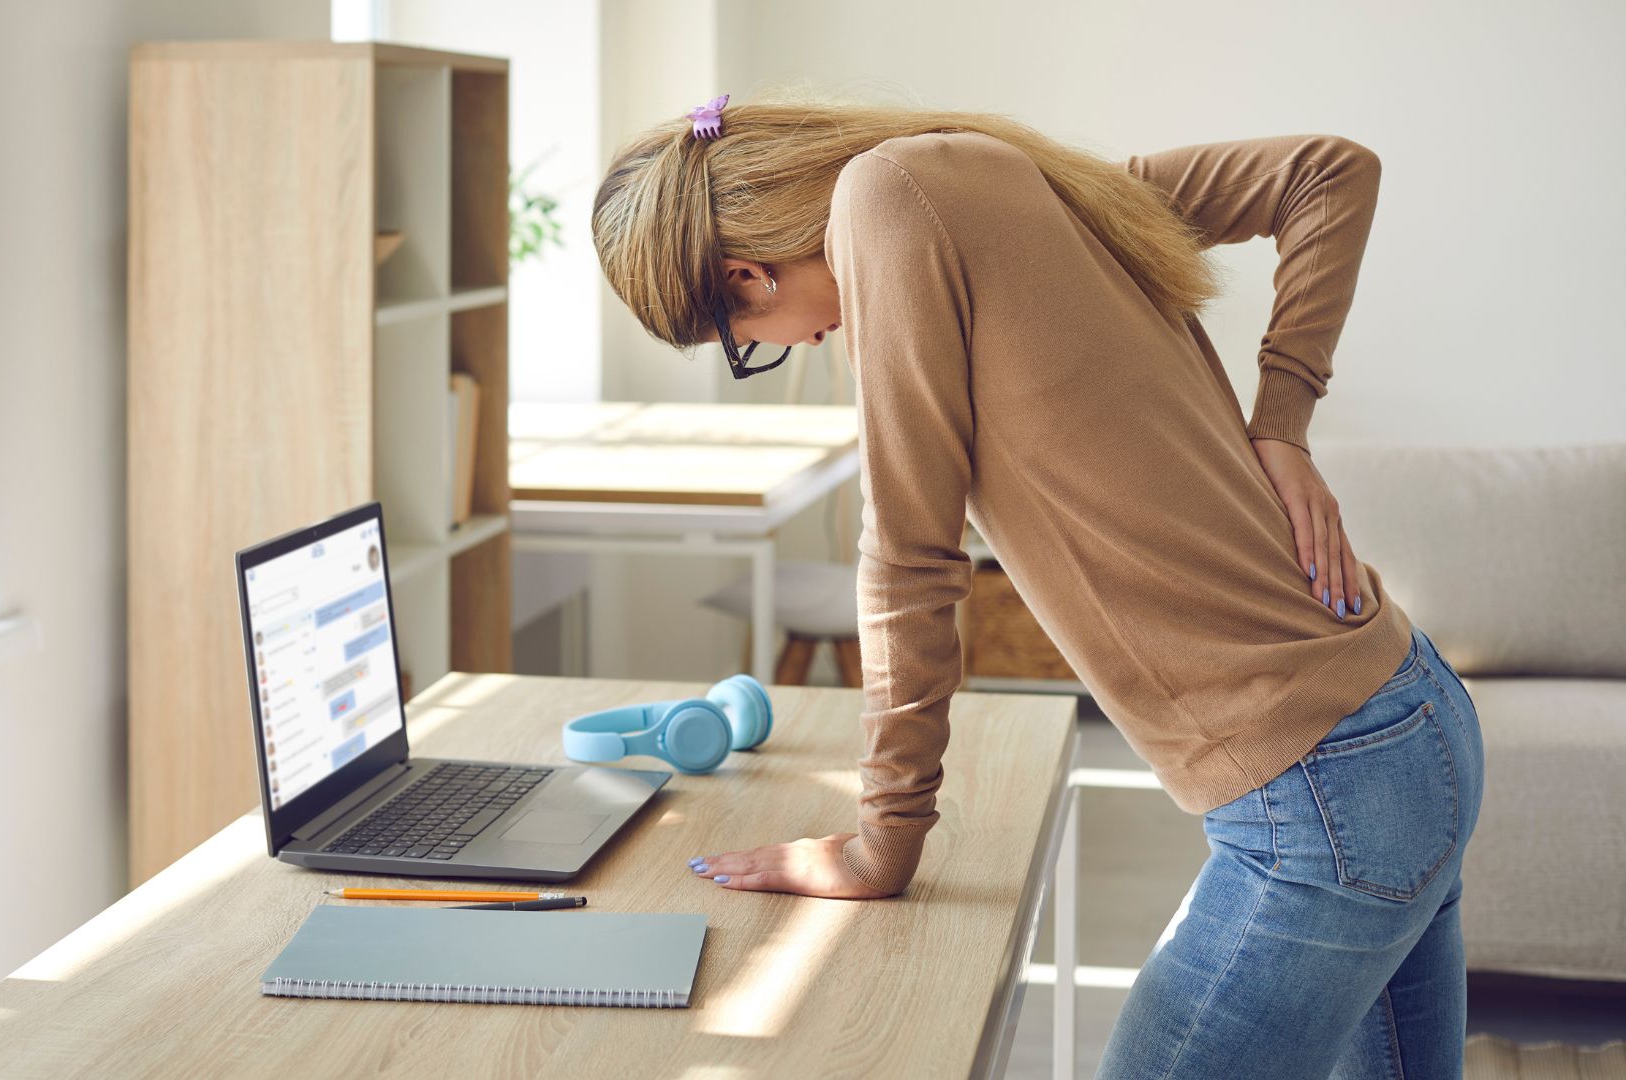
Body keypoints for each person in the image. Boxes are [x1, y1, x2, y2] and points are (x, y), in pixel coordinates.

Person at [592, 94, 1484, 1078]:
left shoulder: (881, 202)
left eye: (744, 341)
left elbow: (907, 556)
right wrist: (1283, 414)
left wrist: (877, 848)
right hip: (1407, 719)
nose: (797, 347)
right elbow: (1330, 169)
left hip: (1327, 791)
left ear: (743, 275)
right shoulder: (1005, 175)